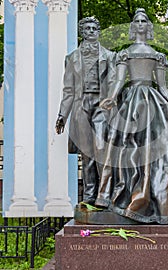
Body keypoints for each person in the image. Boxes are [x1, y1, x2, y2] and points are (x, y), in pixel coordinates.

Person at [96, 8, 168, 224]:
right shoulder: (125, 54)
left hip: (153, 101)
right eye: (137, 20)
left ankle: (161, 202)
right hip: (132, 102)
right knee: (127, 147)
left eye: (144, 20)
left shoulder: (157, 55)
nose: (140, 23)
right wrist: (111, 98)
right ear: (133, 27)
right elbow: (119, 81)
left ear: (148, 26)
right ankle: (122, 198)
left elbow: (164, 87)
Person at [55, 16, 116, 206]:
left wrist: (112, 102)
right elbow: (68, 89)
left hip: (101, 105)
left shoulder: (110, 56)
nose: (91, 31)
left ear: (98, 31)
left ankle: (106, 192)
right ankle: (90, 194)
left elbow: (114, 82)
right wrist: (62, 115)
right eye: (87, 28)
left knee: (102, 148)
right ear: (82, 32)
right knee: (87, 151)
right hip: (81, 105)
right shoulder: (72, 58)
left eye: (94, 28)